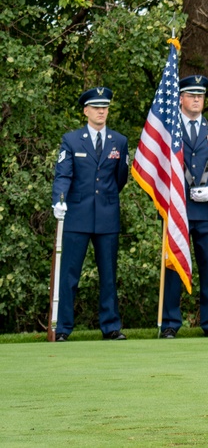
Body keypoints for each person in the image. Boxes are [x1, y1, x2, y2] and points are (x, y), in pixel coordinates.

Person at [50, 87, 130, 341]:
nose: (101, 112)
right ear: (86, 110)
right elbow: (63, 175)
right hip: (77, 216)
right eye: (96, 108)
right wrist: (59, 200)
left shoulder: (119, 141)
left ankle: (111, 327)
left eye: (104, 108)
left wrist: (104, 199)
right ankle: (63, 328)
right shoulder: (72, 140)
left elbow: (120, 178)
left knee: (108, 275)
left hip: (107, 216)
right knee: (70, 275)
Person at [160, 74, 208, 338]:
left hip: (207, 211)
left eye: (200, 96)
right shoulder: (168, 130)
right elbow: (158, 168)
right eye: (191, 95)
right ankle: (169, 323)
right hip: (177, 210)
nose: (196, 99)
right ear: (181, 98)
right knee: (173, 267)